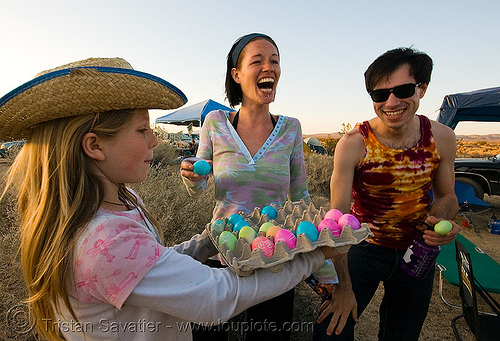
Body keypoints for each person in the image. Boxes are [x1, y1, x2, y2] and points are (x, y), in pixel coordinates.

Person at [0, 57, 343, 341]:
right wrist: (312, 258)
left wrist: (207, 242)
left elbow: (151, 262)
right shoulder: (104, 240)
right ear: (95, 146)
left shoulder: (122, 200)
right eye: (141, 130)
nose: (154, 140)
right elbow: (217, 298)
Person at [313, 47, 461, 341]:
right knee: (330, 333)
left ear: (422, 88)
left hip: (417, 252)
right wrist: (342, 287)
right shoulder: (354, 143)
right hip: (363, 249)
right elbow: (337, 220)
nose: (391, 102)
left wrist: (441, 222)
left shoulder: (442, 137)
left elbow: (448, 196)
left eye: (403, 89)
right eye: (379, 95)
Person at [180, 33, 317, 341]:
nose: (269, 67)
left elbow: (301, 196)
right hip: (220, 253)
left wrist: (323, 263)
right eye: (257, 61)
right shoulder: (215, 122)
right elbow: (198, 185)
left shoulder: (291, 128)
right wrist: (192, 179)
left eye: (275, 61)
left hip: (275, 259)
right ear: (237, 75)